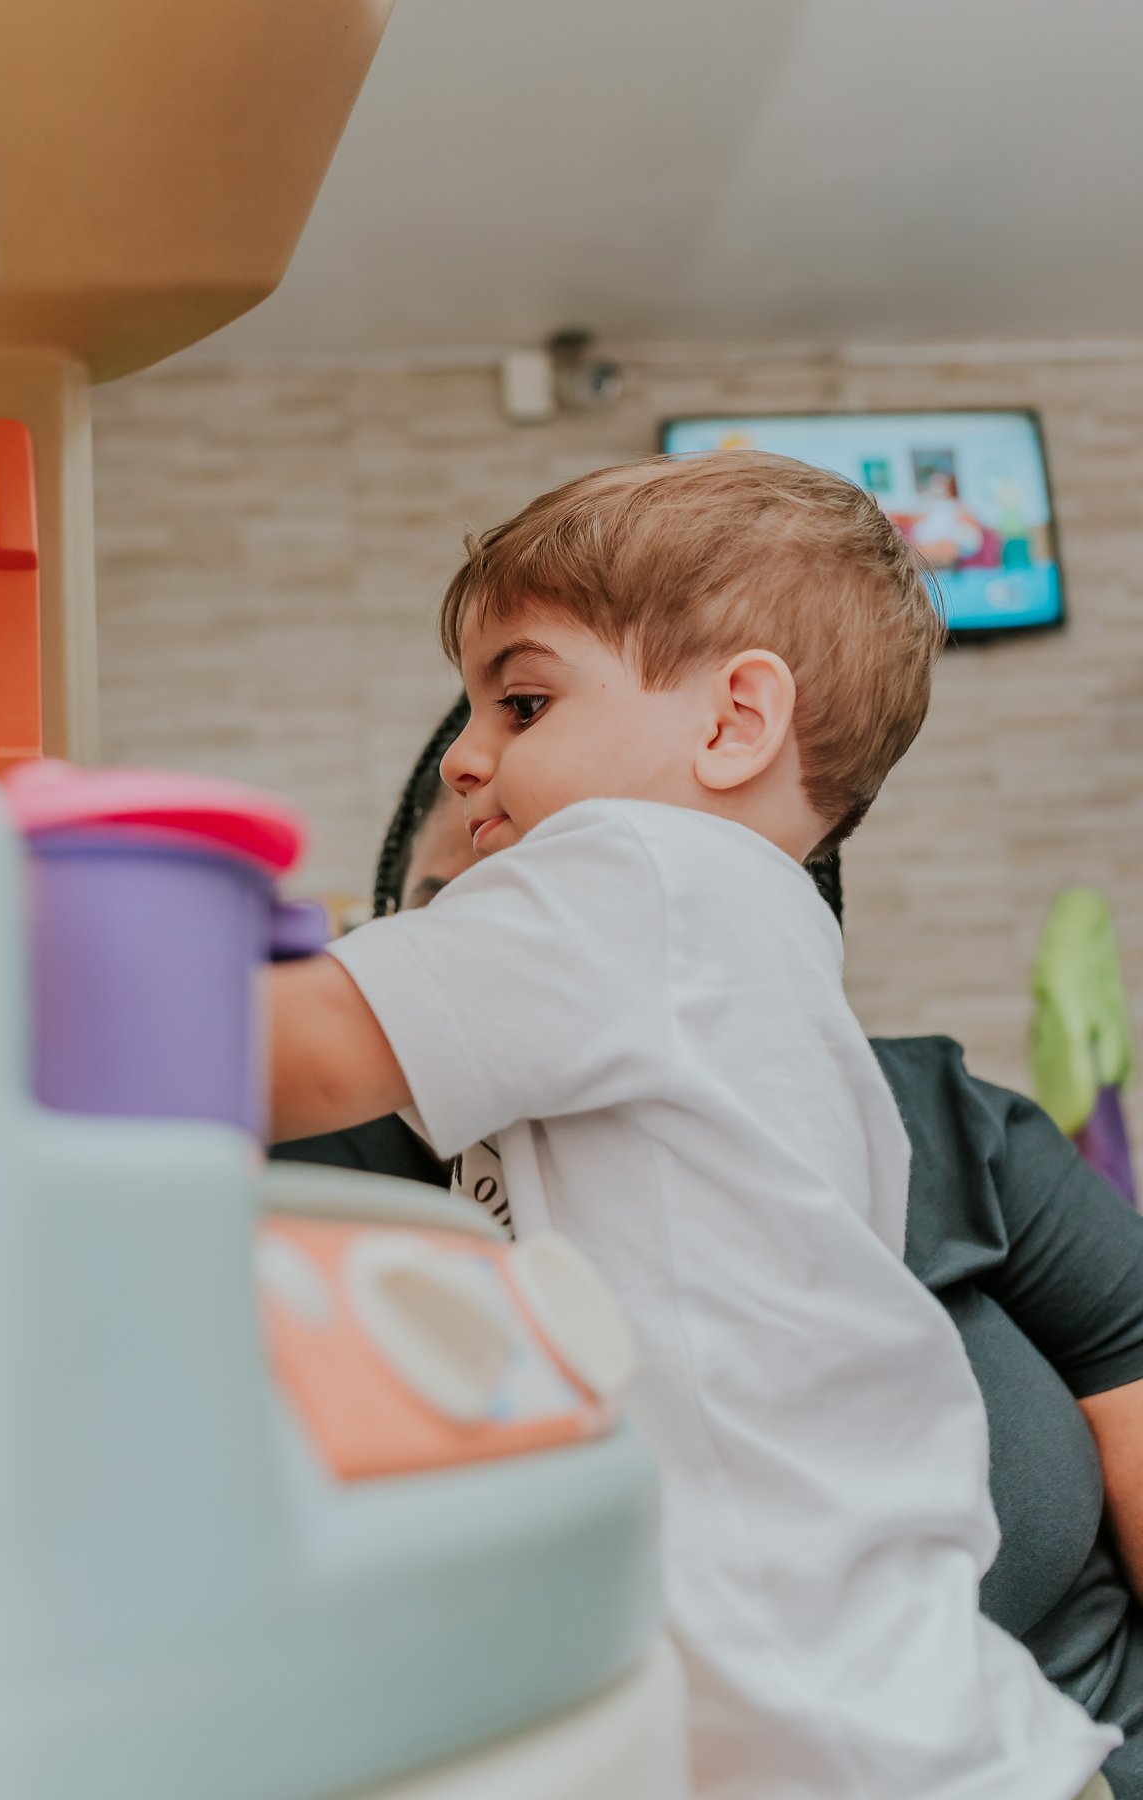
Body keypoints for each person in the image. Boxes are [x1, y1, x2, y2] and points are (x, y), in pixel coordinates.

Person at [268, 451, 1117, 1800]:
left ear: (737, 721)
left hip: (857, 1758)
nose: (467, 757)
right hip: (923, 1733)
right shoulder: (758, 962)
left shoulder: (636, 877)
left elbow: (290, 1047)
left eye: (523, 701)